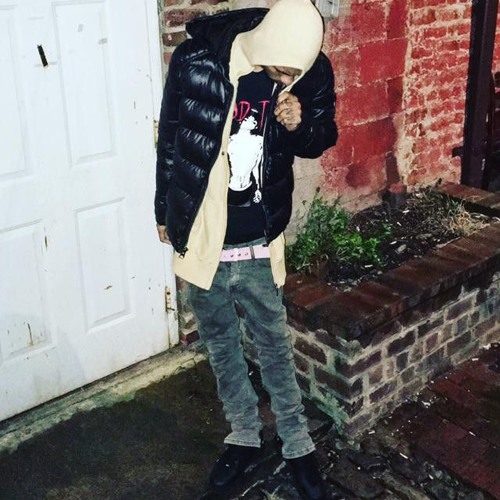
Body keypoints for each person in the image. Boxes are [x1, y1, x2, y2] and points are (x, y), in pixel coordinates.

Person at [155, 1, 337, 498]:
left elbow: (323, 137)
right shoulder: (196, 60)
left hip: (258, 233)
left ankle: (297, 444)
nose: (289, 80)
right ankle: (243, 435)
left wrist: (301, 124)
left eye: (296, 74)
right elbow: (170, 139)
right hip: (203, 232)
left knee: (273, 345)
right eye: (283, 70)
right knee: (220, 343)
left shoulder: (311, 71)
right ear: (268, 43)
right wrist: (163, 211)